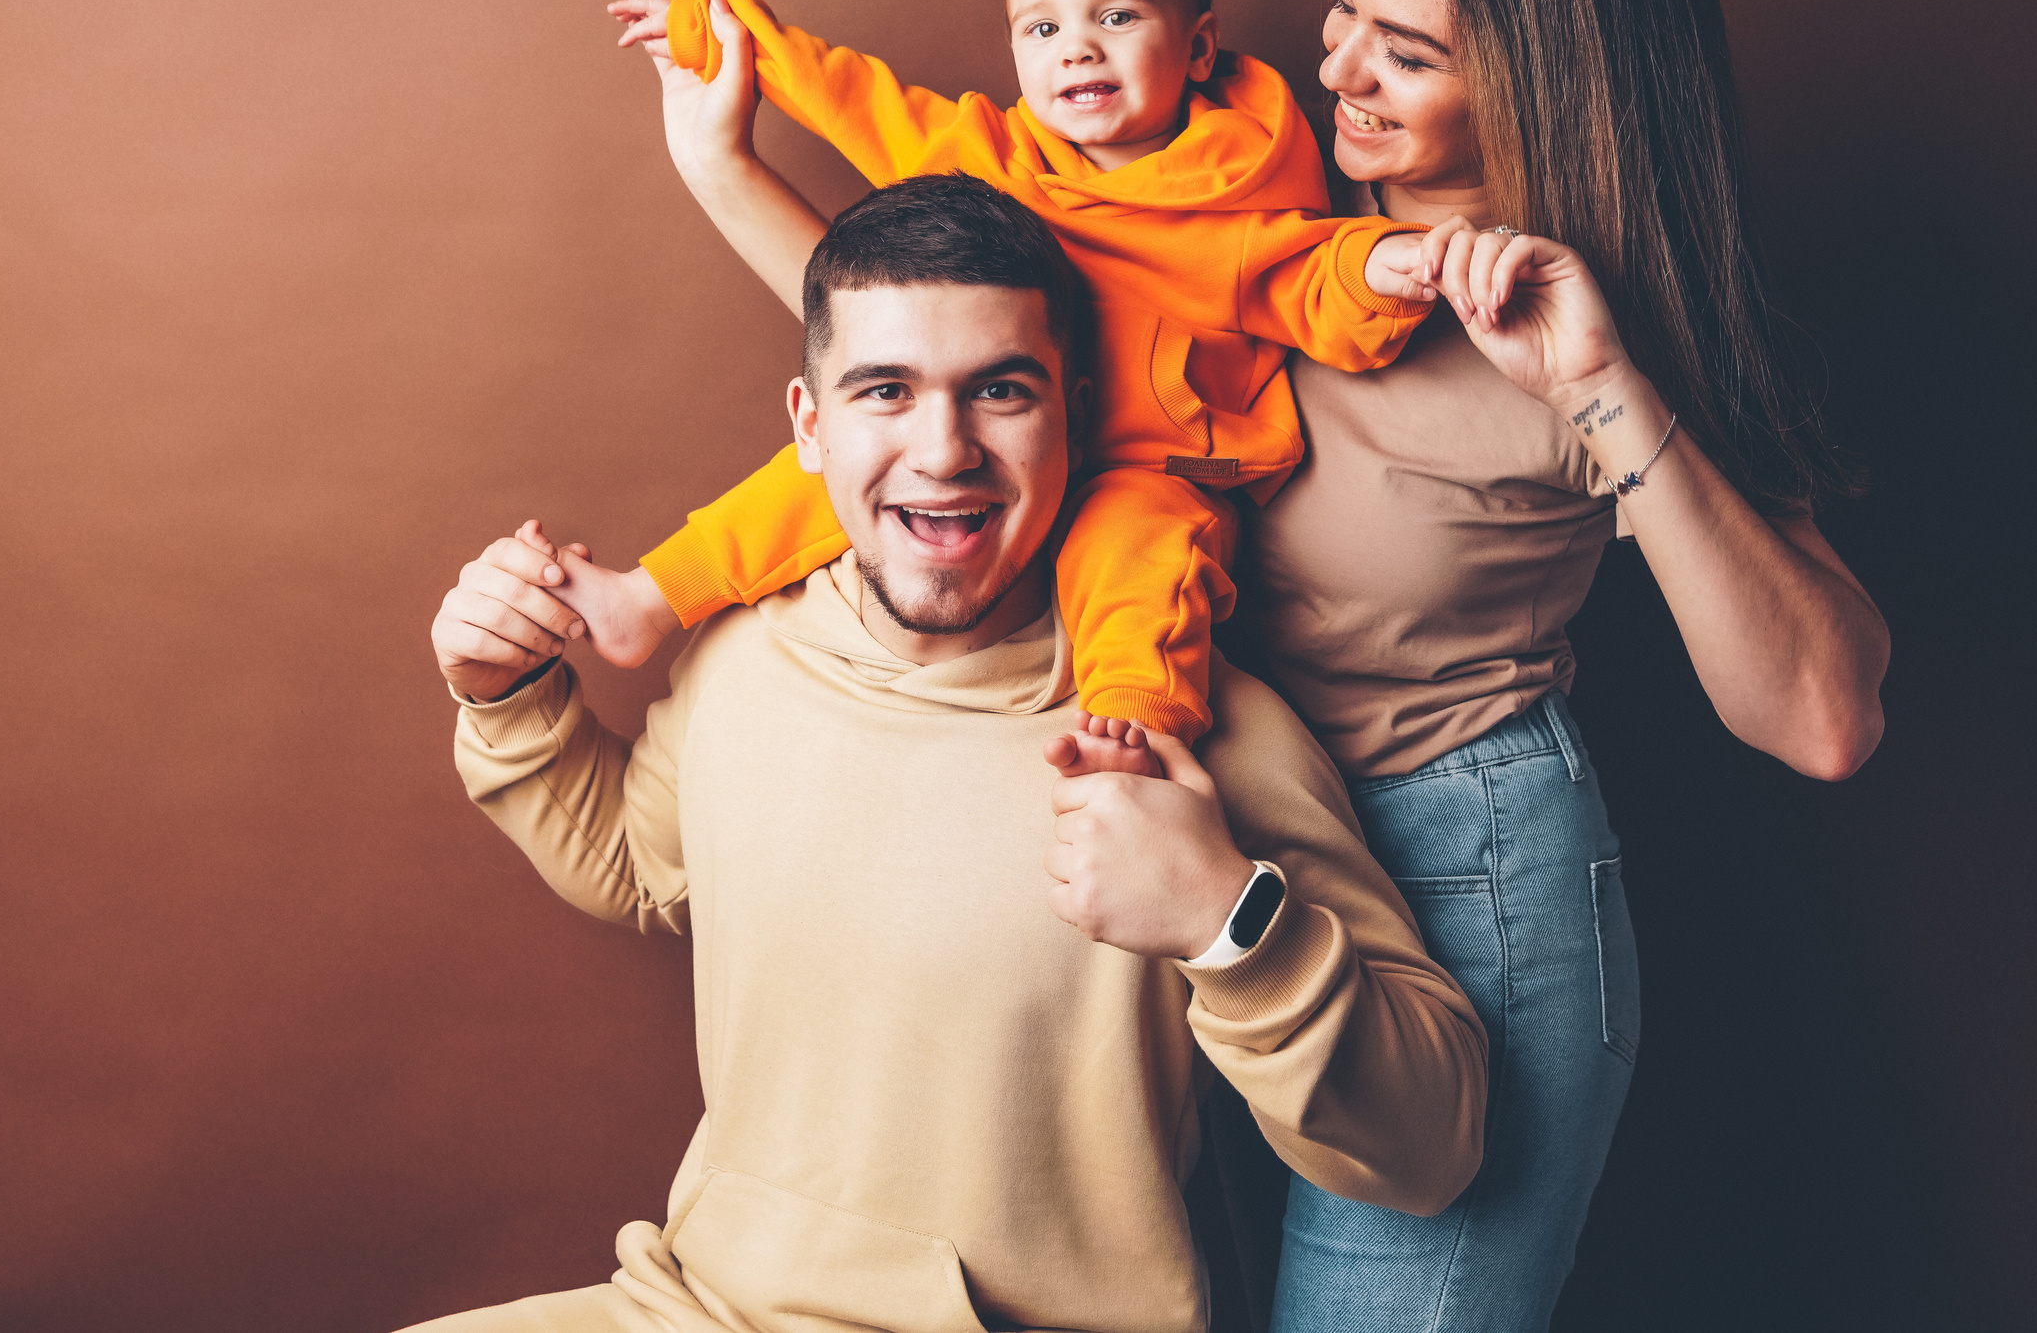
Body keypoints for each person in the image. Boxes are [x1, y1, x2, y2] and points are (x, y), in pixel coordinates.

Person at [607, 0, 1893, 1333]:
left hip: (1458, 870)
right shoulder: (1253, 194)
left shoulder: (1599, 312)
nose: (1339, 63)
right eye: (1348, 8)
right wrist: (723, 163)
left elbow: (1822, 712)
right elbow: (952, 361)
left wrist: (1600, 381)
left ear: (1541, 77)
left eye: (1406, 52)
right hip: (1204, 846)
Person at [416, 174, 1488, 1333]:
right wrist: (512, 695)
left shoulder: (1194, 734)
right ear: (810, 425)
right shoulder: (744, 658)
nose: (946, 450)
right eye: (887, 391)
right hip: (693, 1307)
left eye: (1000, 392)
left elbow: (1433, 1152)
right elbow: (640, 864)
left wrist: (1229, 924)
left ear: (1070, 412)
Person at [550, 0, 1458, 752]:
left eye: (1117, 16)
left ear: (1197, 45)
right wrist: (705, 29)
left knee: (1139, 561)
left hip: (1152, 457)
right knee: (831, 469)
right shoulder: (993, 154)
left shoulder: (1241, 180)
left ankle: (1136, 732)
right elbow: (855, 98)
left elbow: (1308, 272)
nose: (1077, 48)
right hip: (999, 437)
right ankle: (646, 602)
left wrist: (1395, 263)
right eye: (1042, 26)